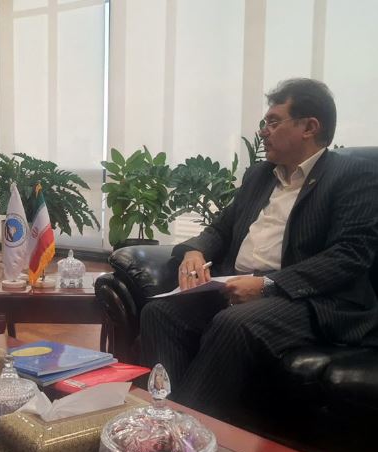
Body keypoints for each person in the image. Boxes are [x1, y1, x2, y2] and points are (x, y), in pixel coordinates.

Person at [139, 78, 378, 419]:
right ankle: (164, 415)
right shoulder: (259, 175)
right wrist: (194, 251)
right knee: (160, 312)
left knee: (235, 323)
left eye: (274, 122)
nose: (263, 132)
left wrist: (268, 285)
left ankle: (186, 432)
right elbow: (220, 229)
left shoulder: (353, 174)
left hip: (308, 299)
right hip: (236, 286)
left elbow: (350, 254)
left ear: (309, 127)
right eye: (265, 123)